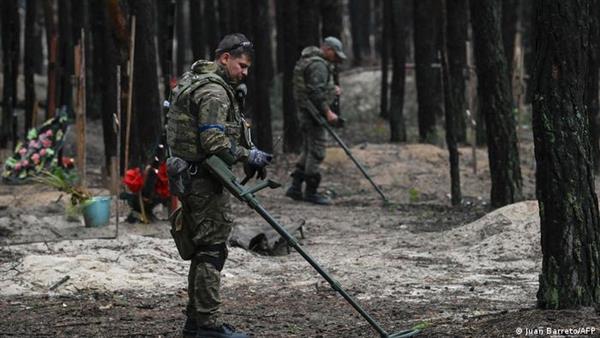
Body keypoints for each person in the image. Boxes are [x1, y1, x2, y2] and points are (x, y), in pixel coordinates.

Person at [166, 33, 271, 338]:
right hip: (202, 180)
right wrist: (246, 154)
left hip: (192, 176)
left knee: (203, 249)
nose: (245, 72)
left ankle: (196, 321)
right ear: (225, 58)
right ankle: (209, 324)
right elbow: (213, 141)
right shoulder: (214, 91)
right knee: (212, 249)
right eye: (241, 65)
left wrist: (244, 152)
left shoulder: (197, 79)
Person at [286, 36, 347, 205]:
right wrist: (328, 112)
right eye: (335, 54)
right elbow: (315, 93)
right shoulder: (318, 65)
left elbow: (315, 88)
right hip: (313, 116)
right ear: (327, 50)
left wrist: (332, 89)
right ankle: (311, 192)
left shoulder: (310, 61)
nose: (336, 59)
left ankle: (295, 187)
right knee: (317, 151)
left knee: (307, 150)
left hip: (306, 114)